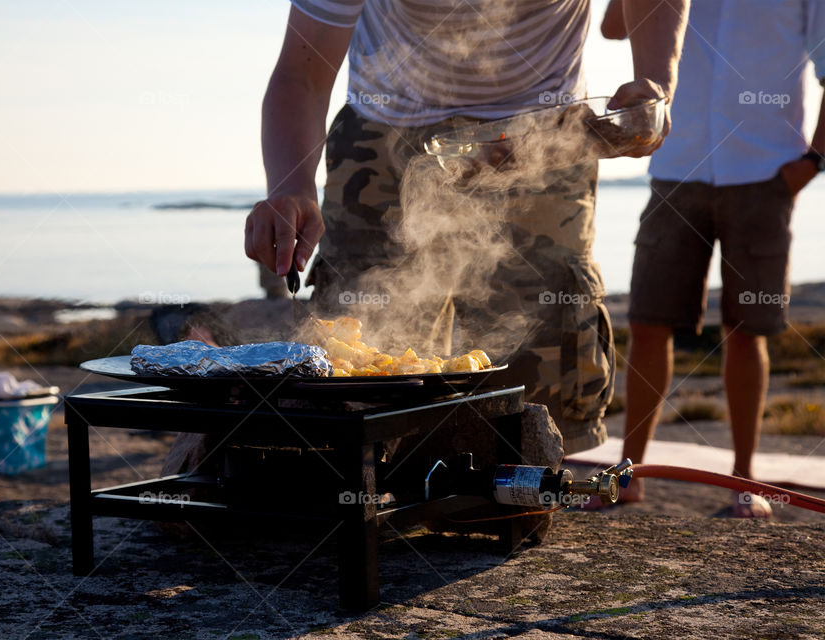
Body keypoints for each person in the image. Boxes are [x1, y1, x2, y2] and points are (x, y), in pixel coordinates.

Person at [243, 0, 688, 455]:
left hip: (543, 127)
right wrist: (291, 185)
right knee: (357, 369)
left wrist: (657, 81)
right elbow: (302, 74)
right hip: (383, 131)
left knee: (536, 387)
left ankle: (513, 487)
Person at [595, 0, 825, 516]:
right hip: (675, 165)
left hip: (763, 174)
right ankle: (627, 477)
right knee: (648, 321)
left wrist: (811, 164)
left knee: (747, 330)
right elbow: (612, 27)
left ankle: (745, 482)